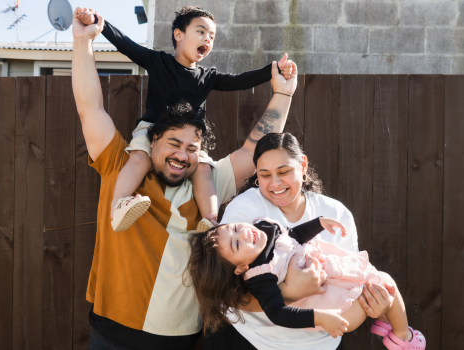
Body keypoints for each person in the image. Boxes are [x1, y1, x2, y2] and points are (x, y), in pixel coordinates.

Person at [71, 8, 299, 349]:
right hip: (111, 334)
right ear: (153, 142)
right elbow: (91, 109)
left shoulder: (209, 180)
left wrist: (283, 92)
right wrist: (82, 41)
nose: (182, 154)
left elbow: (254, 151)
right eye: (174, 144)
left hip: (178, 340)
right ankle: (122, 207)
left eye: (191, 147)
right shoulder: (121, 165)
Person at [75, 6, 294, 232]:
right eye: (201, 32)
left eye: (212, 37)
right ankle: (118, 205)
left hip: (190, 137)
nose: (207, 39)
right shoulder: (158, 61)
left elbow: (240, 81)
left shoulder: (208, 77)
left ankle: (209, 219)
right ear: (178, 34)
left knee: (203, 170)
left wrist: (273, 70)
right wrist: (98, 23)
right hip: (152, 129)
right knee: (140, 159)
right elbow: (126, 43)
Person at [203, 133, 397, 350]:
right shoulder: (245, 214)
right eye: (265, 175)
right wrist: (290, 291)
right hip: (250, 339)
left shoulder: (336, 214)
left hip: (319, 343)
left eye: (284, 172)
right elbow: (226, 294)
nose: (275, 183)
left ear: (303, 165)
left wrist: (377, 305)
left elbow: (354, 281)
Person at [187, 215, 426, 349]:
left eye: (237, 228)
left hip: (335, 276)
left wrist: (319, 223)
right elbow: (277, 313)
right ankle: (402, 338)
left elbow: (293, 235)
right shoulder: (260, 275)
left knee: (381, 282)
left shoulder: (265, 229)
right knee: (384, 282)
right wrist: (322, 317)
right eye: (237, 244)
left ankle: (389, 327)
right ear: (241, 267)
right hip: (332, 307)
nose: (244, 234)